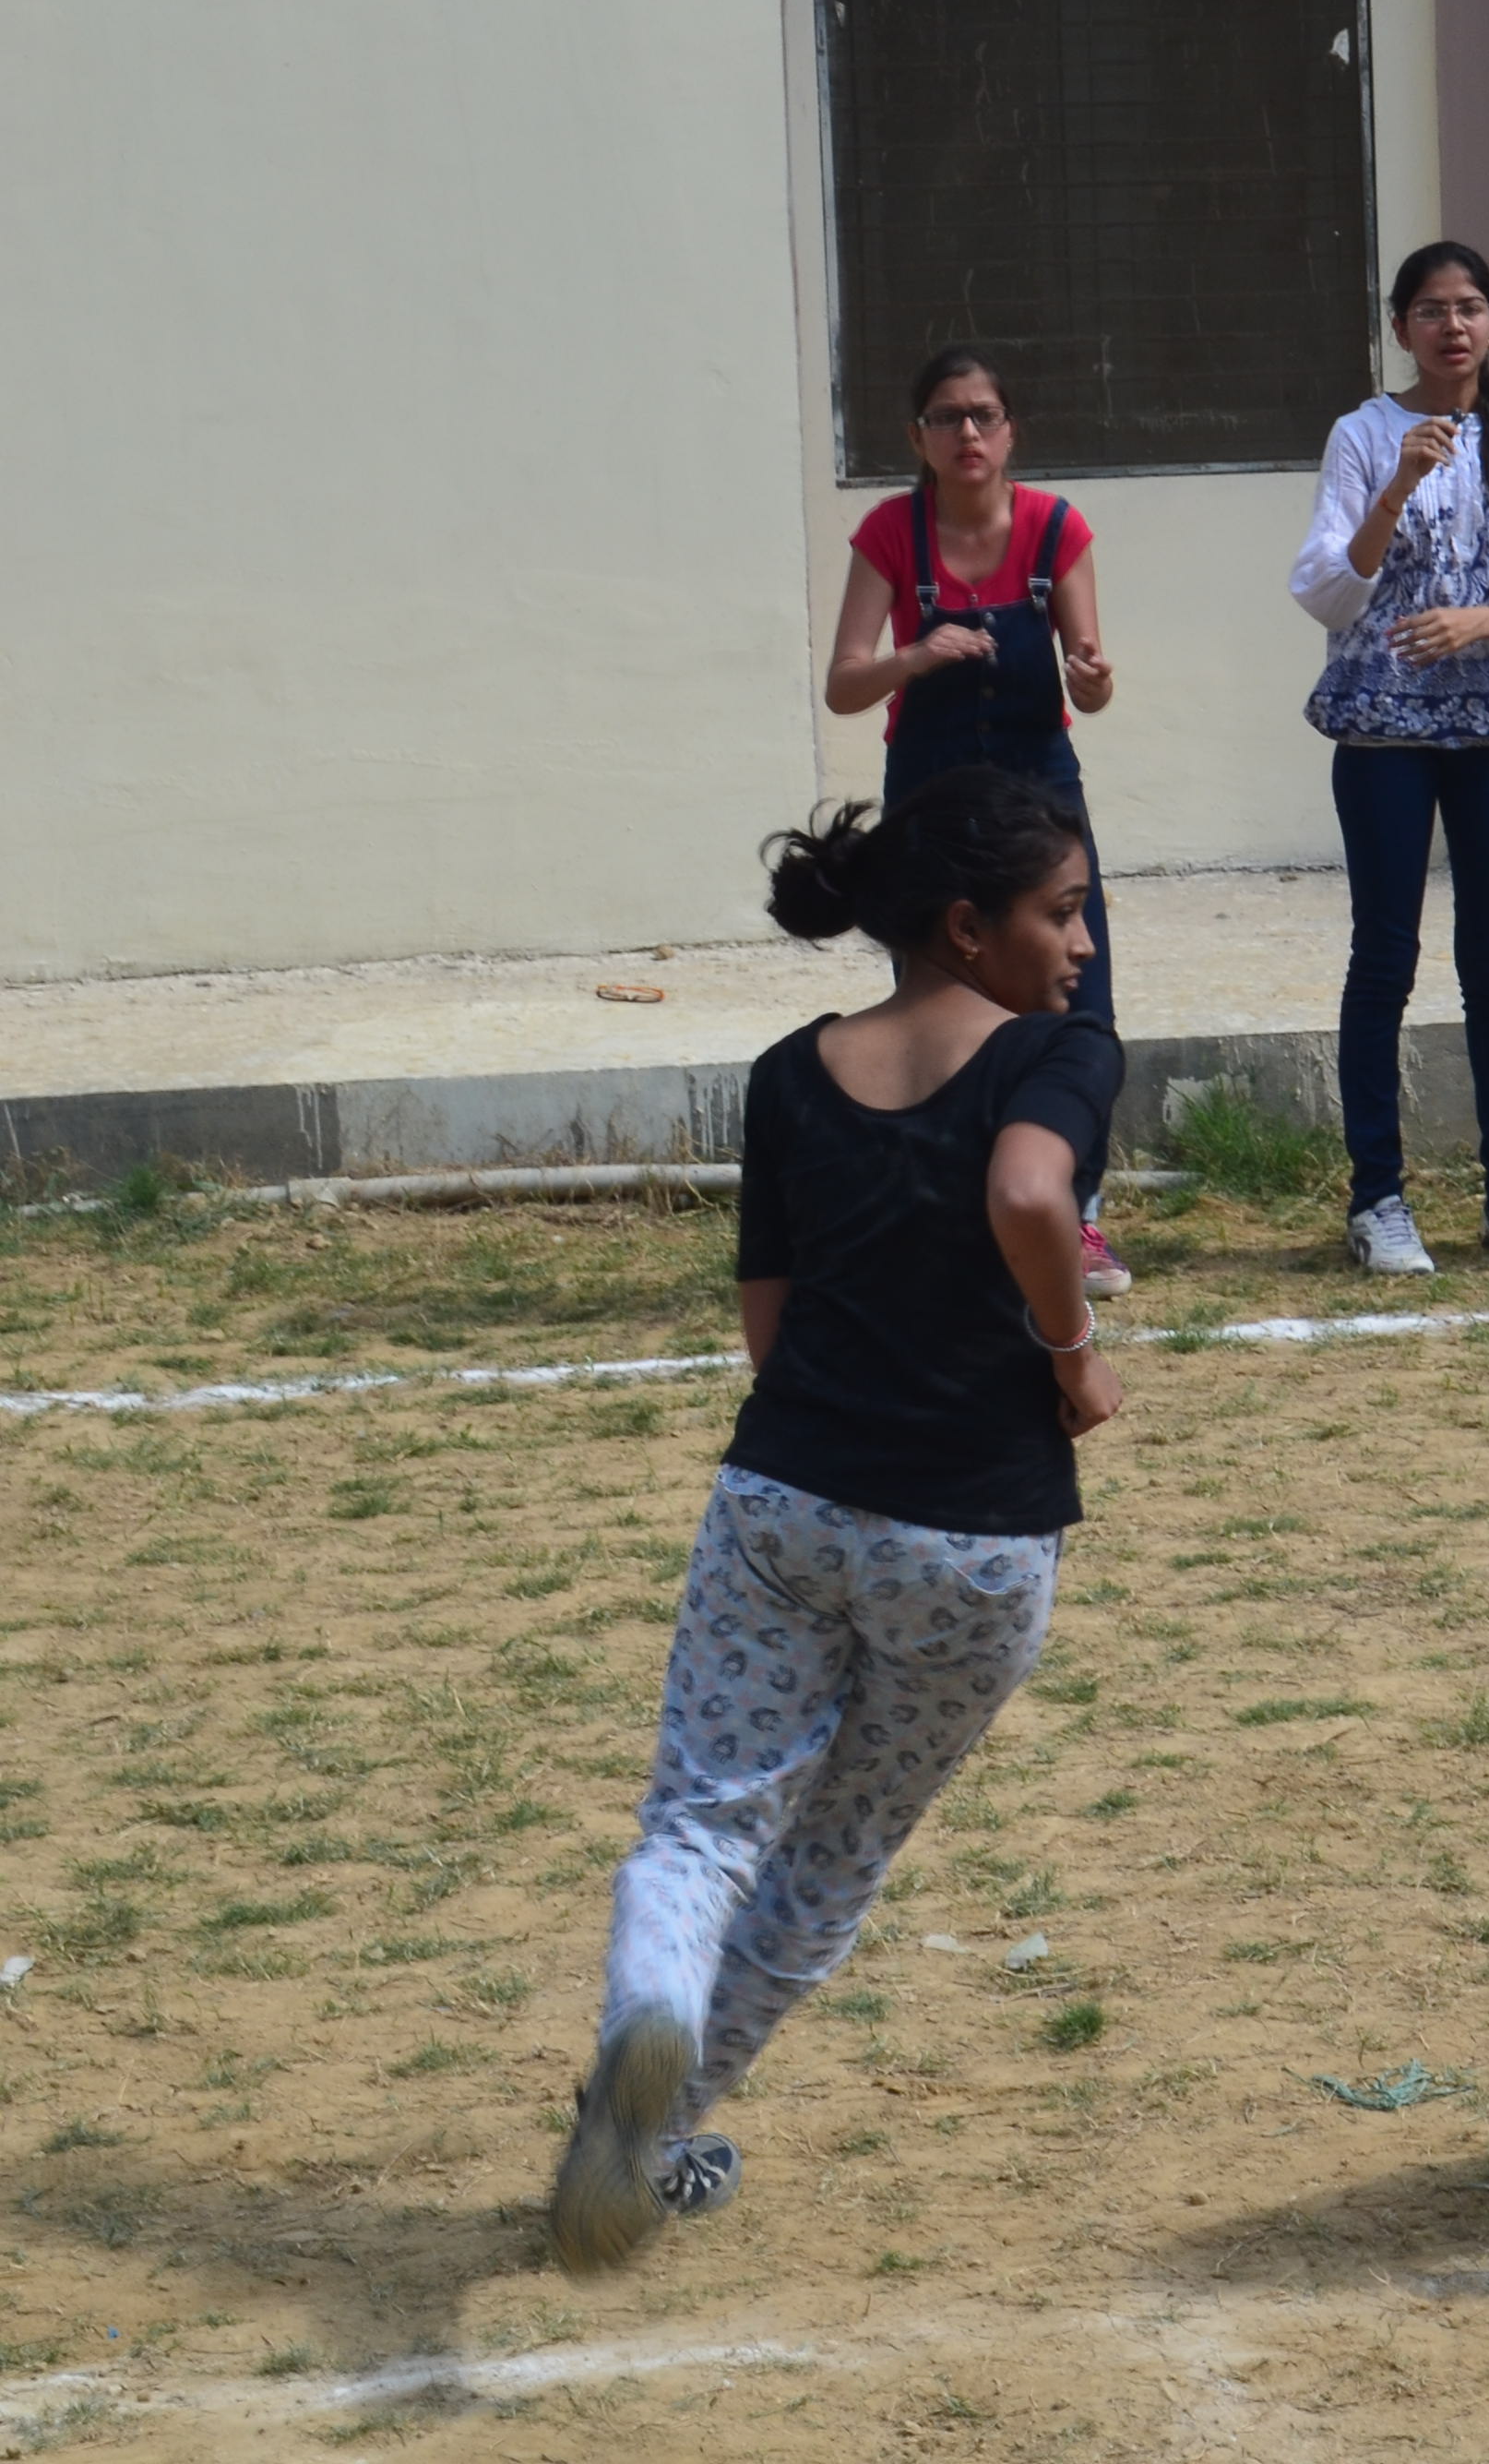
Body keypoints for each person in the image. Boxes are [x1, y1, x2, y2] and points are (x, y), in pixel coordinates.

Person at [550, 769, 1124, 2276]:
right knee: (834, 1854)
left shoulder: (789, 1072)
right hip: (976, 1539)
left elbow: (768, 1325)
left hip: (787, 1502)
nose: (1080, 945)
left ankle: (648, 2032)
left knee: (702, 1822)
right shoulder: (1058, 1056)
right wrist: (1072, 1349)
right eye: (1062, 913)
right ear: (968, 926)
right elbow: (1029, 1190)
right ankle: (655, 2128)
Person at [1290, 242, 1489, 1277]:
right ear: (1401, 329)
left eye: (1470, 306)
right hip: (1383, 733)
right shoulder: (1363, 434)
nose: (1452, 326)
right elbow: (1326, 590)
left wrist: (1482, 621)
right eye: (1430, 310)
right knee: (1384, 957)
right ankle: (1377, 1198)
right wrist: (1397, 485)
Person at [823, 348, 1131, 1298]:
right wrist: (913, 658)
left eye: (984, 415)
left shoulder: (1055, 528)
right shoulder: (889, 533)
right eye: (947, 417)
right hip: (932, 797)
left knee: (1073, 996)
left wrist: (1093, 678)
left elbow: (1093, 683)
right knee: (934, 998)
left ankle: (1074, 1212)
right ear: (916, 437)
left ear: (1010, 431)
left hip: (1039, 793)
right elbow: (844, 685)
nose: (967, 433)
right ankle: (947, 1206)